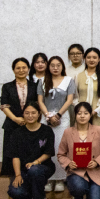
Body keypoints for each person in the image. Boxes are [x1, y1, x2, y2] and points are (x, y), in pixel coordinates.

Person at [57, 102, 100, 199]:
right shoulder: (68, 132)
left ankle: (95, 193)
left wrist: (97, 162)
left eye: (85, 113)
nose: (82, 116)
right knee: (79, 188)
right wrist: (68, 163)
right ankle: (78, 196)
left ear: (90, 115)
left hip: (96, 172)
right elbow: (61, 154)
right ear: (75, 115)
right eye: (79, 113)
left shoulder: (99, 130)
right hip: (77, 172)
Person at [7, 102, 55, 199]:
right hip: (23, 169)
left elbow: (48, 152)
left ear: (39, 114)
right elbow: (15, 156)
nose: (30, 116)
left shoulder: (47, 130)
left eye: (33, 113)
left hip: (43, 166)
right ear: (23, 114)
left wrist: (35, 162)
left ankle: (40, 197)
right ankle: (32, 193)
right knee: (15, 192)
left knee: (34, 170)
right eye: (27, 113)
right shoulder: (17, 133)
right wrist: (18, 175)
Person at [37, 56, 75, 192]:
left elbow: (69, 100)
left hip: (62, 118)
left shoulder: (69, 80)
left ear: (62, 66)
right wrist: (48, 116)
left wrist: (58, 115)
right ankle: (48, 179)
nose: (55, 68)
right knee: (46, 147)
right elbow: (40, 101)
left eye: (58, 65)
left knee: (61, 147)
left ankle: (60, 178)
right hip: (45, 117)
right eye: (52, 65)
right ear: (48, 67)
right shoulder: (42, 81)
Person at [0, 58, 38, 177]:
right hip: (11, 124)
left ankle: (28, 178)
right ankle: (13, 180)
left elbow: (38, 104)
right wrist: (15, 119)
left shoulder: (35, 86)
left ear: (28, 69)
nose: (21, 70)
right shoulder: (7, 86)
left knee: (28, 152)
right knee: (11, 153)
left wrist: (29, 119)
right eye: (18, 68)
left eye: (24, 67)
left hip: (30, 125)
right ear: (13, 70)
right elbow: (4, 106)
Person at [73, 48, 100, 128]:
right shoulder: (78, 76)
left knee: (97, 135)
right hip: (81, 115)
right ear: (84, 59)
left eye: (94, 57)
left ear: (99, 59)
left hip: (97, 114)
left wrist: (96, 110)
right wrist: (81, 110)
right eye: (89, 57)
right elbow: (75, 97)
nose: (91, 60)